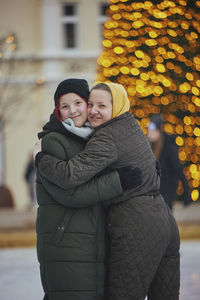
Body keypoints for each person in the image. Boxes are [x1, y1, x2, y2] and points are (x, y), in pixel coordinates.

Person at [34, 82, 180, 300]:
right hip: (164, 221)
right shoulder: (131, 125)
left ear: (117, 106)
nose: (93, 111)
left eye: (101, 105)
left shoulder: (107, 135)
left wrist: (40, 159)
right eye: (91, 104)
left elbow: (70, 175)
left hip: (136, 225)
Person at [147, 114, 192, 210]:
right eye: (149, 130)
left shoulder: (168, 147)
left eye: (153, 131)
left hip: (167, 190)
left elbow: (178, 169)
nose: (149, 133)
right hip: (154, 191)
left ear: (159, 131)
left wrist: (186, 192)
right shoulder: (149, 147)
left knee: (166, 218)